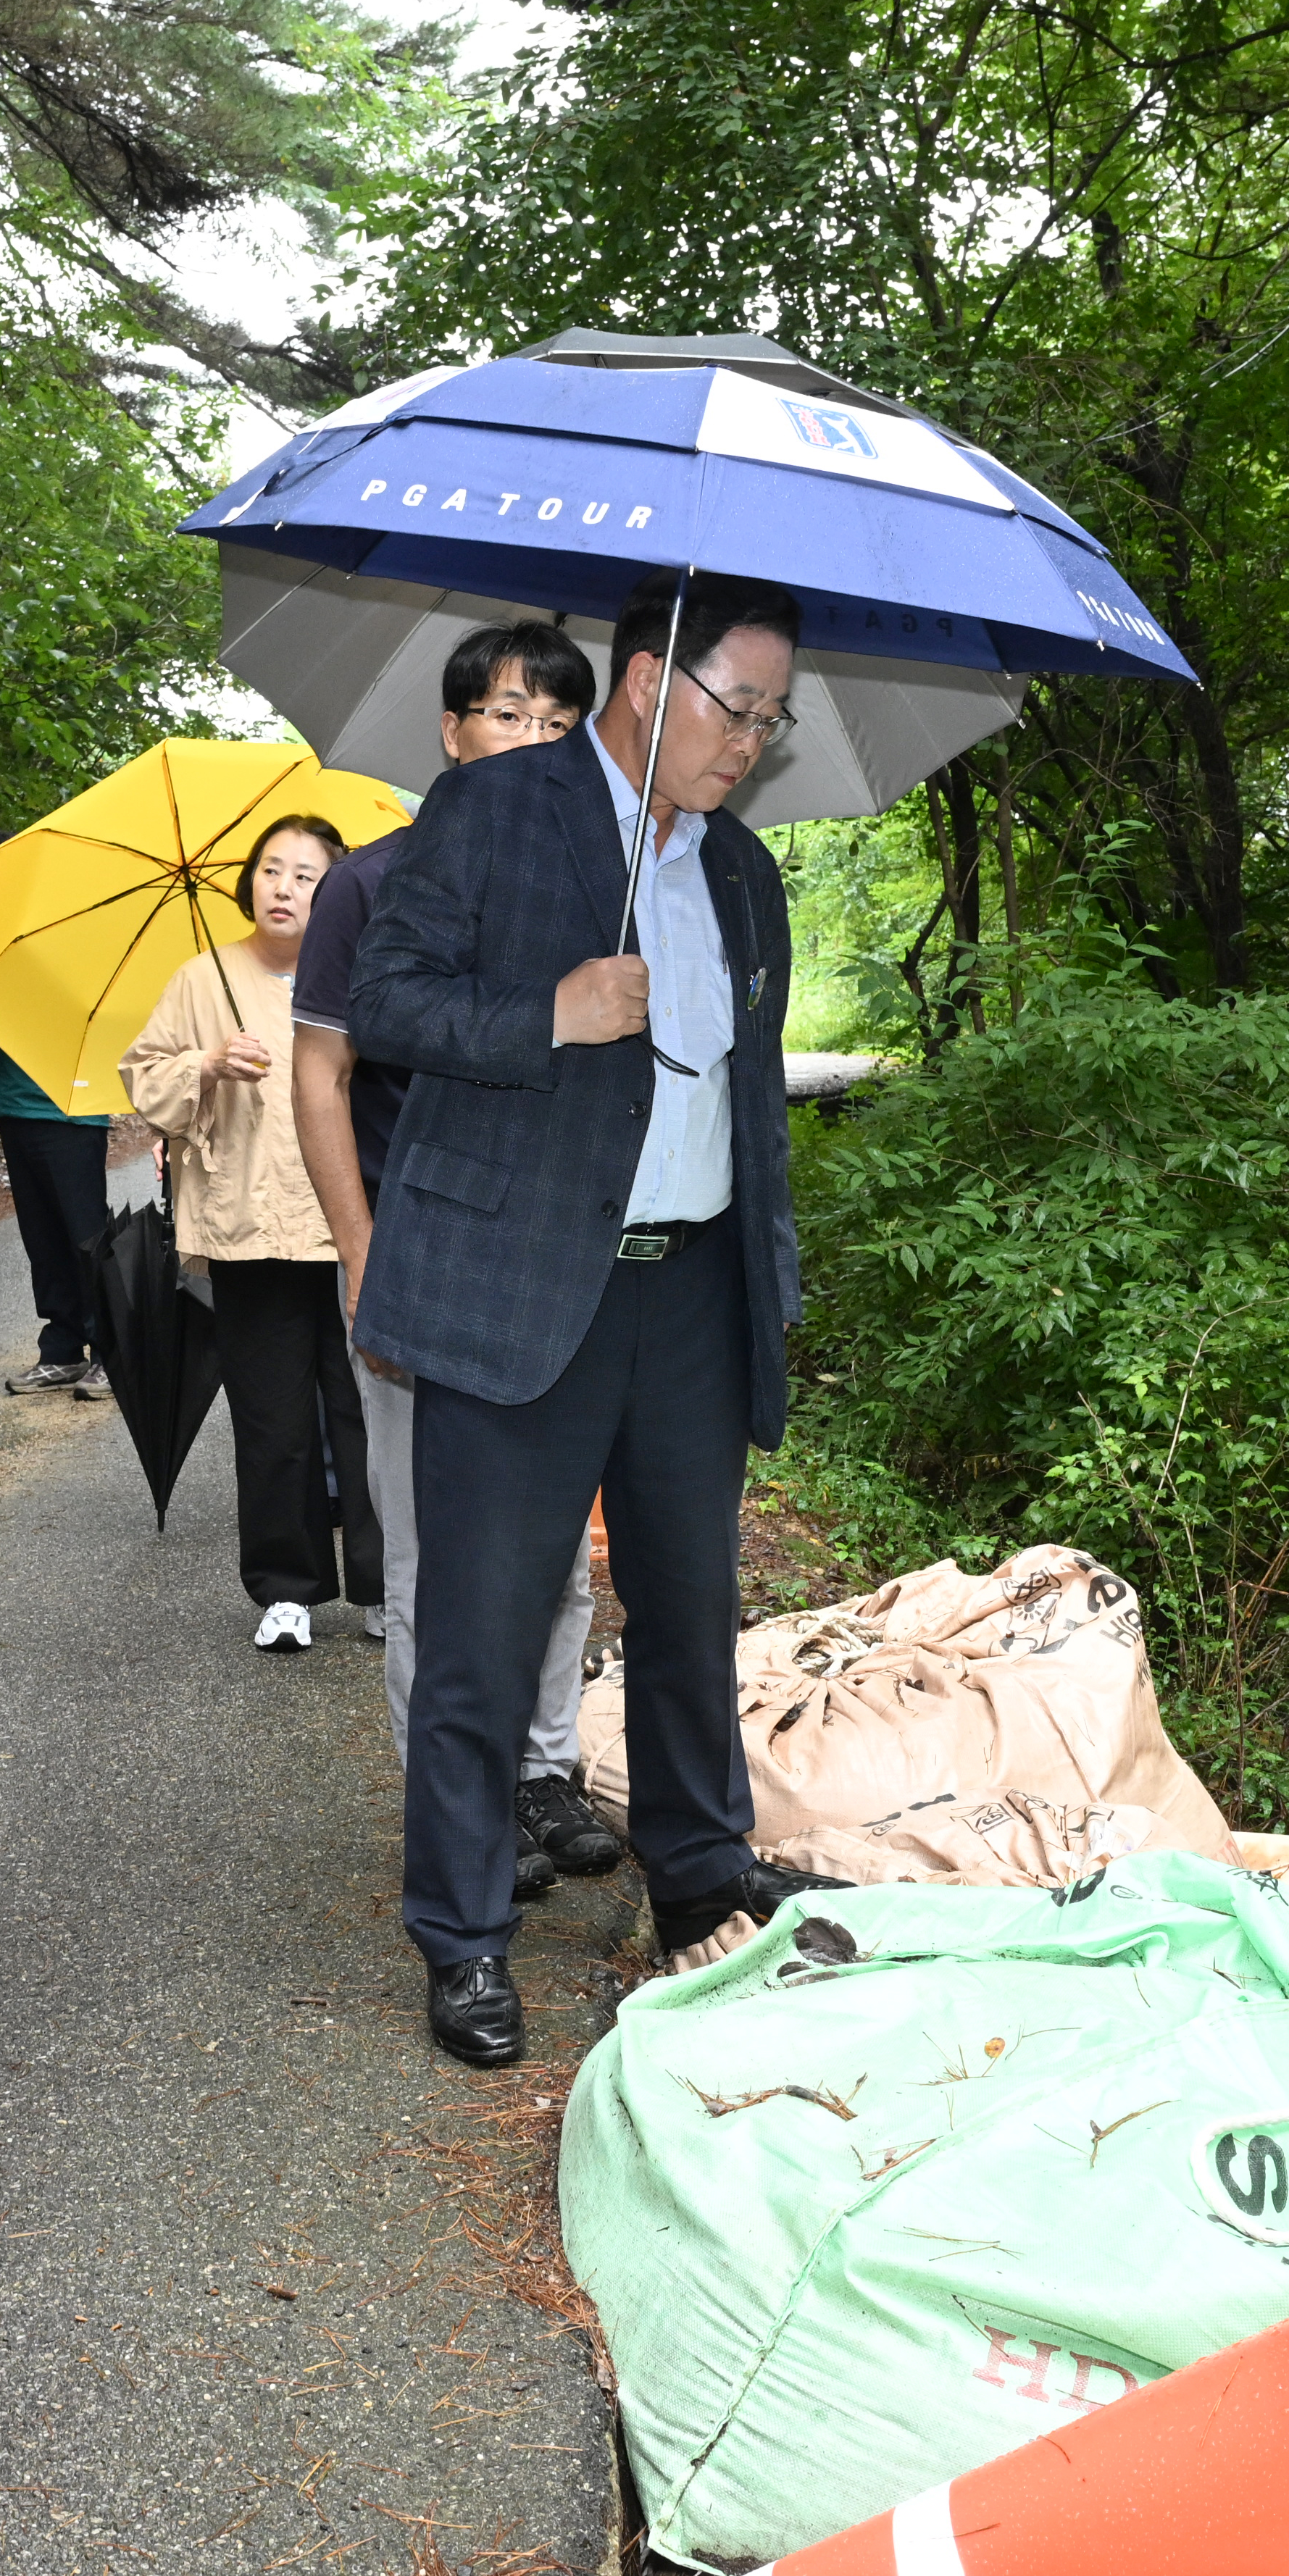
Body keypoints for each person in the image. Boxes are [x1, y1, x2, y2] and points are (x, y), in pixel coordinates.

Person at [343, 570, 850, 2069]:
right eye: (736, 705)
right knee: (487, 1634)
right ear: (649, 682)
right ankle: (462, 1930)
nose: (752, 739)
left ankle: (702, 1869)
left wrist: (770, 1278)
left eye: (774, 717)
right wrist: (548, 1015)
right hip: (521, 1291)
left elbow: (749, 1103)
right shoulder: (498, 812)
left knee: (691, 1608)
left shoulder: (743, 877)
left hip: (689, 1289)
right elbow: (388, 1001)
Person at [291, 622, 624, 1902]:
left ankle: (543, 1765)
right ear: (451, 731)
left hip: (557, 1265)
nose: (529, 743)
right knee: (434, 1550)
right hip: (415, 1259)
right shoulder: (370, 885)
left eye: (557, 723)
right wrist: (362, 1254)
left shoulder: (598, 891)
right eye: (504, 715)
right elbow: (321, 1079)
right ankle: (460, 1802)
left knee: (554, 1549)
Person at [124, 814, 377, 1652]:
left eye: (308, 875)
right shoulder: (203, 978)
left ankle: (383, 1586)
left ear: (338, 891)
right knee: (272, 1419)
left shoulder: (362, 973)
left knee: (368, 1410)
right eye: (273, 869)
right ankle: (287, 1588)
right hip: (247, 1229)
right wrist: (205, 1064)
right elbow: (143, 1079)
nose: (284, 887)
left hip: (350, 1225)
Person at [0, 1035, 113, 1398]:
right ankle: (63, 1350)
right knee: (42, 1241)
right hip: (14, 1104)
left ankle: (111, 1354)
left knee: (86, 1237)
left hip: (71, 1109)